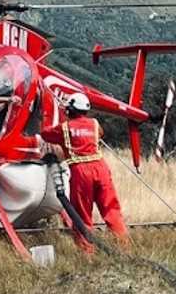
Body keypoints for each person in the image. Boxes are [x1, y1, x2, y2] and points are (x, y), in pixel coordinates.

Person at [39, 93, 128, 252]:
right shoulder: (94, 124)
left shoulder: (64, 128)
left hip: (81, 172)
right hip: (101, 168)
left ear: (70, 109)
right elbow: (100, 134)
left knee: (81, 214)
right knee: (111, 209)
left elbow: (46, 134)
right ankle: (124, 247)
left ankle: (87, 252)